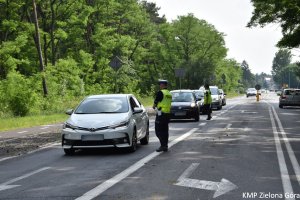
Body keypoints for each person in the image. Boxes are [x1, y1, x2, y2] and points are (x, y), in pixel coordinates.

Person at [153, 79, 172, 152]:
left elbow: (156, 102)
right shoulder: (169, 93)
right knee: (165, 130)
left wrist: (154, 106)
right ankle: (165, 146)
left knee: (158, 131)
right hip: (167, 114)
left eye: (160, 84)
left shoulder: (160, 92)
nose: (159, 85)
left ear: (163, 85)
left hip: (161, 114)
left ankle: (162, 145)